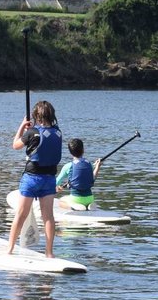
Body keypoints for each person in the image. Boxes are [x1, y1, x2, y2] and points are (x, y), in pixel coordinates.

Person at [7, 100, 62, 257]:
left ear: (36, 115)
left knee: (21, 215)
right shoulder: (58, 132)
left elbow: (15, 145)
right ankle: (49, 253)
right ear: (51, 115)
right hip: (49, 179)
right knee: (48, 217)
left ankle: (9, 249)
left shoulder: (31, 132)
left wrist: (22, 127)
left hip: (31, 179)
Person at [55, 138, 102, 210]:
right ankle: (89, 205)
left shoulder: (68, 166)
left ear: (70, 153)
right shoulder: (89, 164)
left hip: (76, 199)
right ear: (83, 150)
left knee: (61, 201)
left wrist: (57, 188)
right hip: (90, 198)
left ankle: (74, 207)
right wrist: (97, 167)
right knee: (87, 199)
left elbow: (55, 183)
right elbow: (92, 179)